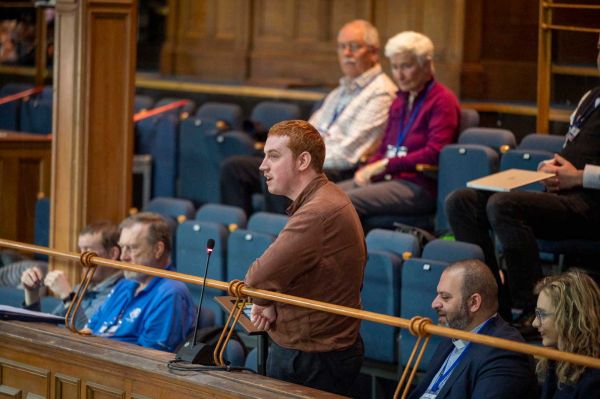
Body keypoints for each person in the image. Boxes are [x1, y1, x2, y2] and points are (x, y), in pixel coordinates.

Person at [445, 34, 600, 328]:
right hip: (565, 196)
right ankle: (491, 304)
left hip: (593, 205)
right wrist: (553, 168)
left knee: (504, 205)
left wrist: (579, 177)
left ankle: (533, 310)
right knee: (461, 201)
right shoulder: (591, 98)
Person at [220, 19, 397, 215]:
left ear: (373, 52)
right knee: (235, 169)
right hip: (307, 160)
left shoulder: (382, 92)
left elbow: (348, 153)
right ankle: (242, 238)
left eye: (354, 47)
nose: (346, 53)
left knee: (279, 171)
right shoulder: (340, 91)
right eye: (342, 47)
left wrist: (296, 160)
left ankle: (283, 240)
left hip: (337, 169)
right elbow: (309, 131)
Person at [244, 120, 366, 395]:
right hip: (320, 352)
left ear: (302, 161)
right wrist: (270, 300)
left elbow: (257, 281)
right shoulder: (326, 197)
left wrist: (265, 298)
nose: (263, 165)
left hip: (312, 359)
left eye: (273, 156)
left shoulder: (317, 212)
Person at [338, 31, 460, 222]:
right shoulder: (399, 100)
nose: (399, 75)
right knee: (324, 196)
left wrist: (386, 165)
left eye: (406, 66)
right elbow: (385, 147)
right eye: (395, 67)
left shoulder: (442, 100)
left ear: (426, 65)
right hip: (389, 178)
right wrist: (368, 168)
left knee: (342, 202)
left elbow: (435, 152)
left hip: (418, 184)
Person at [408, 260, 537, 399]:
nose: (434, 304)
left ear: (474, 302)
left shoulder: (506, 353)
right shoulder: (451, 336)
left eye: (445, 297)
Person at [84, 213, 194, 352]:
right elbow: (90, 328)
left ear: (157, 249)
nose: (123, 257)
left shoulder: (171, 293)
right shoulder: (125, 284)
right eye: (122, 247)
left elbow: (149, 358)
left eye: (131, 248)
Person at [19, 221, 122, 329]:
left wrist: (68, 296)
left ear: (112, 254)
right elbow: (45, 328)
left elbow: (87, 335)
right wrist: (31, 293)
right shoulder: (81, 287)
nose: (81, 258)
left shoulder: (121, 293)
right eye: (80, 250)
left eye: (88, 250)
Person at [533, 270, 600, 398]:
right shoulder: (557, 358)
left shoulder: (594, 381)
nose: (534, 323)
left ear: (569, 319)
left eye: (541, 315)